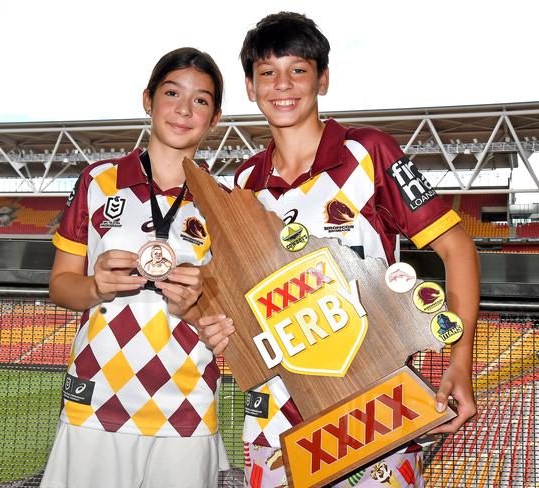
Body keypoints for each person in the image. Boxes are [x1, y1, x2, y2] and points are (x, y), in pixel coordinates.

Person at [196, 12, 480, 488]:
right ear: (249, 86)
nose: (282, 84)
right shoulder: (242, 182)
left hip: (377, 412)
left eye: (298, 70)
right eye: (267, 72)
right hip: (274, 426)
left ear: (322, 78)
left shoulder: (369, 152)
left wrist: (460, 361)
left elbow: (457, 248)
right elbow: (234, 301)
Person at [40, 47, 229, 488]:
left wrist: (200, 305)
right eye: (171, 93)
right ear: (148, 100)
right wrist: (96, 287)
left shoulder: (223, 201)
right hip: (98, 392)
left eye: (201, 100)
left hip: (188, 397)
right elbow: (60, 286)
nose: (184, 110)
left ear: (215, 118)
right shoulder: (97, 180)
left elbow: (225, 314)